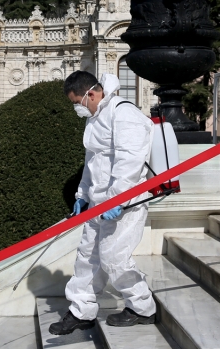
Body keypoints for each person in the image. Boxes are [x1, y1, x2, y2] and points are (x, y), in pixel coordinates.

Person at [49, 70, 157, 335]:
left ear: (92, 93)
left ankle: (142, 307)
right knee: (87, 257)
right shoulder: (95, 119)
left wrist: (117, 199)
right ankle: (81, 311)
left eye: (78, 102)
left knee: (113, 258)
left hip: (124, 203)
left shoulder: (124, 114)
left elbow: (129, 163)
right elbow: (92, 162)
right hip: (99, 202)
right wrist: (82, 195)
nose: (77, 108)